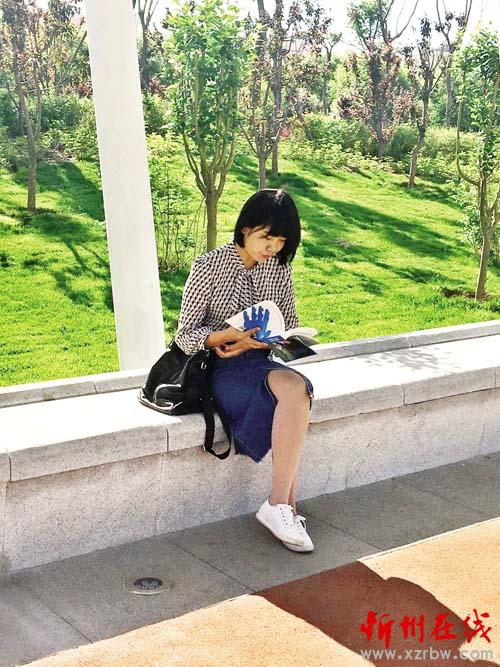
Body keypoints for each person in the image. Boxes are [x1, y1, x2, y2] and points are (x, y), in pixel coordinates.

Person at [174, 188, 315, 552]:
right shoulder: (209, 266)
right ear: (246, 228)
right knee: (295, 391)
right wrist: (229, 337)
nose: (273, 248)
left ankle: (282, 506)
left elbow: (288, 324)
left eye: (281, 242)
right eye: (267, 237)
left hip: (260, 362)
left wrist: (268, 342)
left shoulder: (279, 269)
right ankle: (282, 506)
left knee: (299, 389)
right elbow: (185, 336)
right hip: (217, 369)